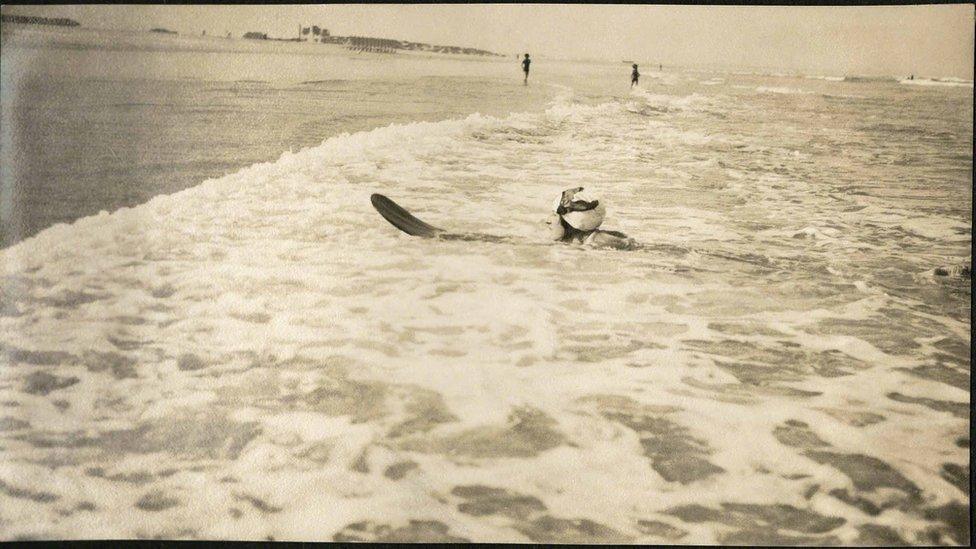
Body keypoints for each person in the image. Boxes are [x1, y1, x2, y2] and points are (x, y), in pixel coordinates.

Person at [544, 187, 637, 250]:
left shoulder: (598, 240)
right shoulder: (570, 240)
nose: (547, 221)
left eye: (554, 215)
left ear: (571, 222)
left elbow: (637, 248)